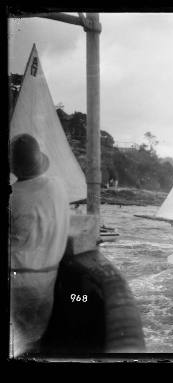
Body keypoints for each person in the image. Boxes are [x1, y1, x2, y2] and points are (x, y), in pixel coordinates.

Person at [9, 134, 70, 357]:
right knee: (34, 339)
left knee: (23, 342)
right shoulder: (58, 187)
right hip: (47, 280)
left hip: (19, 281)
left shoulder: (13, 197)